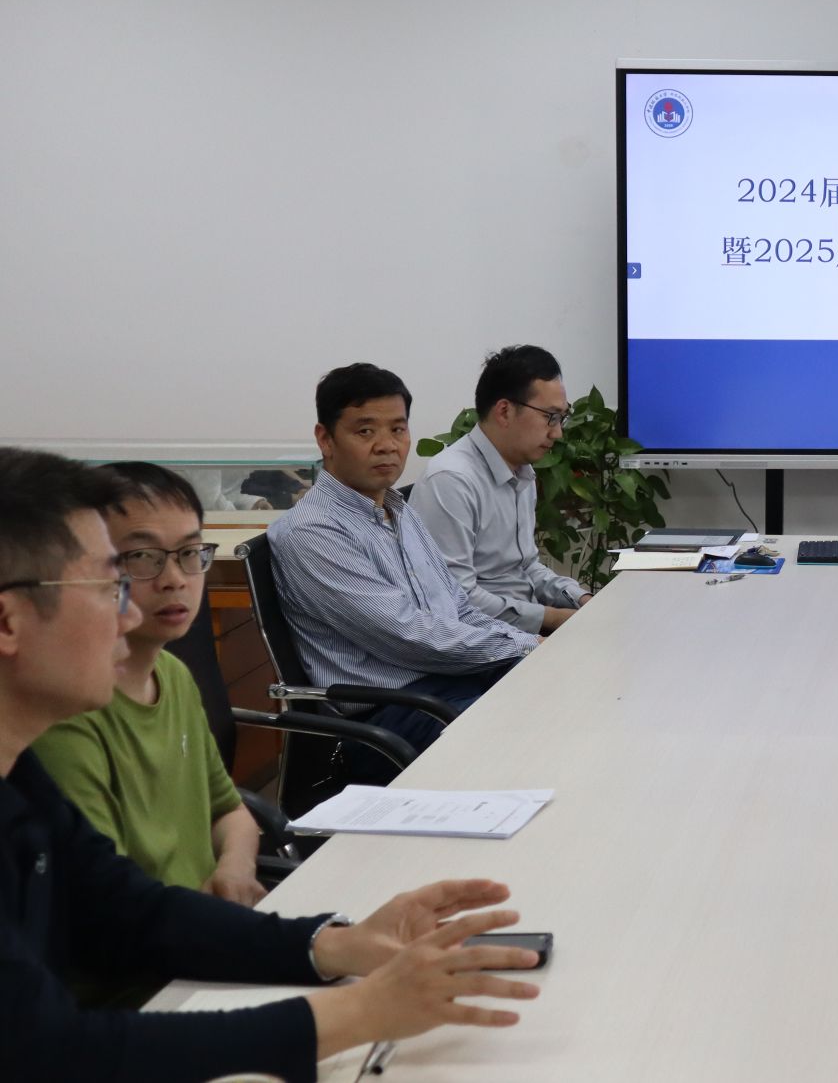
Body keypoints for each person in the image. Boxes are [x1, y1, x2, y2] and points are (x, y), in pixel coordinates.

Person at [0, 446, 538, 1082]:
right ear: (8, 621)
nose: (130, 611)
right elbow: (47, 1052)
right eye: (109, 584)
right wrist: (358, 1011)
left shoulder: (20, 774)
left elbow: (128, 909)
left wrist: (338, 944)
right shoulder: (52, 748)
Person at [30, 464, 264, 920]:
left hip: (207, 925)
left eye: (190, 553)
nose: (174, 578)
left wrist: (235, 868)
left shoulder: (173, 674)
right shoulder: (67, 709)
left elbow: (229, 810)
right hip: (151, 950)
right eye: (141, 557)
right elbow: (113, 904)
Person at [269, 364, 539, 756]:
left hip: (444, 684)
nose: (387, 445)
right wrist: (525, 645)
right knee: (526, 728)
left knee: (558, 687)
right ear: (325, 439)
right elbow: (408, 635)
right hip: (385, 717)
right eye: (365, 431)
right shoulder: (311, 532)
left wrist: (527, 646)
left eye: (398, 429)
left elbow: (459, 609)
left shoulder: (399, 510)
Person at [412, 346, 590, 636]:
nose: (557, 432)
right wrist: (554, 618)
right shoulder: (451, 480)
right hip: (485, 643)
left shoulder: (522, 471)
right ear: (504, 411)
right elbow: (457, 600)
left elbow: (526, 567)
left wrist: (581, 599)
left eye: (561, 418)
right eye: (550, 416)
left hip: (525, 631)